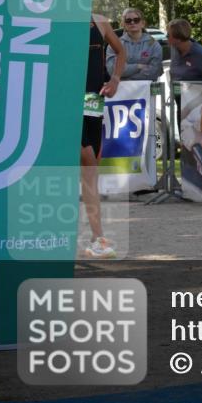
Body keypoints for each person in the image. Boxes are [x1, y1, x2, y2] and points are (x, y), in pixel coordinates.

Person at [82, 14, 125, 258]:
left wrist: (115, 79)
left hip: (92, 102)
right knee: (86, 157)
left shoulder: (99, 22)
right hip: (63, 103)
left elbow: (121, 52)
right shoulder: (54, 23)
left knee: (90, 168)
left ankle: (97, 238)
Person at [108, 7, 162, 82]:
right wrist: (138, 66)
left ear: (143, 23)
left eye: (136, 20)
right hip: (121, 89)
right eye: (128, 20)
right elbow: (112, 70)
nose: (132, 22)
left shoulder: (154, 44)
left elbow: (155, 71)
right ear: (123, 24)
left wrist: (125, 76)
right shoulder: (114, 44)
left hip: (146, 90)